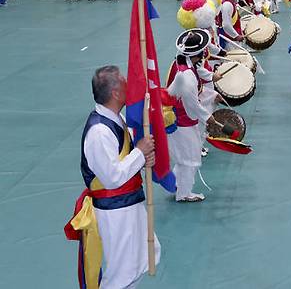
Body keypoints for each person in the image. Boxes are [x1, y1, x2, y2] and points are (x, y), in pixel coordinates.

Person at [64, 65, 160, 289]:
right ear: (116, 93)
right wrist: (140, 152)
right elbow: (112, 177)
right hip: (115, 210)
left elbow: (121, 161)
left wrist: (142, 159)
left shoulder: (115, 119)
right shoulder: (99, 131)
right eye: (126, 83)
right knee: (121, 272)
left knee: (139, 260)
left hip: (128, 204)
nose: (131, 87)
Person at [166, 29, 223, 202]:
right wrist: (209, 118)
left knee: (185, 156)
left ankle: (176, 184)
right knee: (191, 157)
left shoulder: (183, 63)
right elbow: (192, 104)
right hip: (181, 121)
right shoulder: (187, 75)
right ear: (199, 54)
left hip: (179, 117)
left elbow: (198, 83)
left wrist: (212, 85)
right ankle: (184, 193)